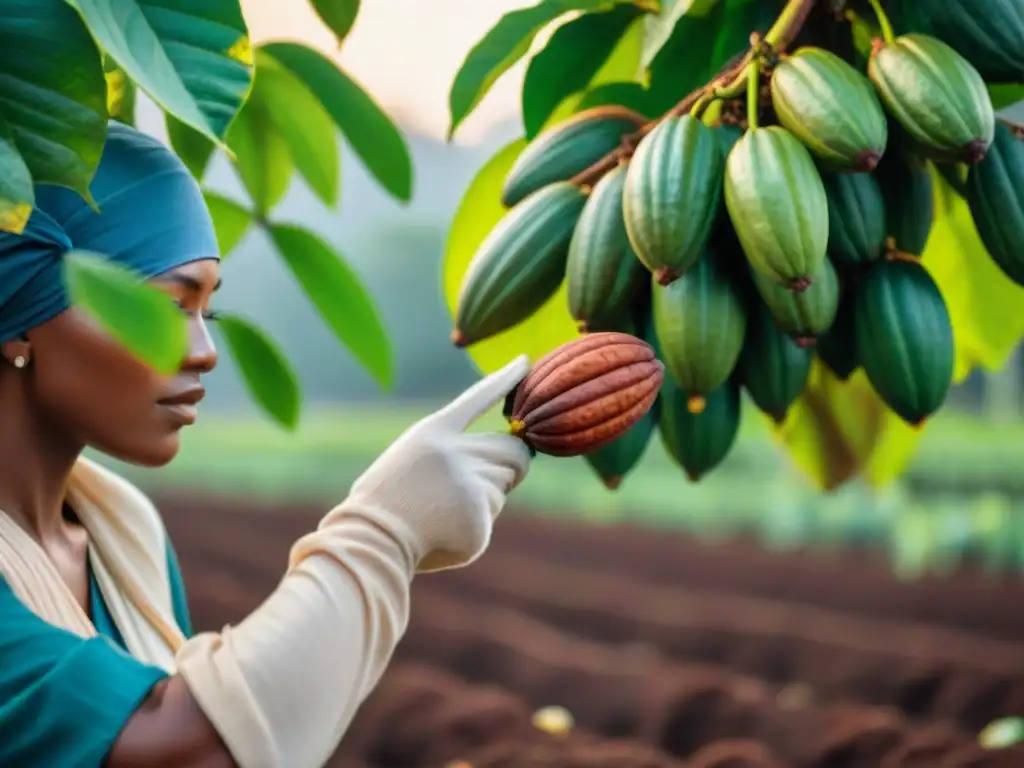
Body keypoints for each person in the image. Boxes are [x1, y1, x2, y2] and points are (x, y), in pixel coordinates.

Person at [0, 120, 533, 767]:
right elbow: (186, 750)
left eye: (208, 312)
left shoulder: (124, 534)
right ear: (21, 319)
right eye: (167, 306)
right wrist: (384, 531)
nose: (204, 353)